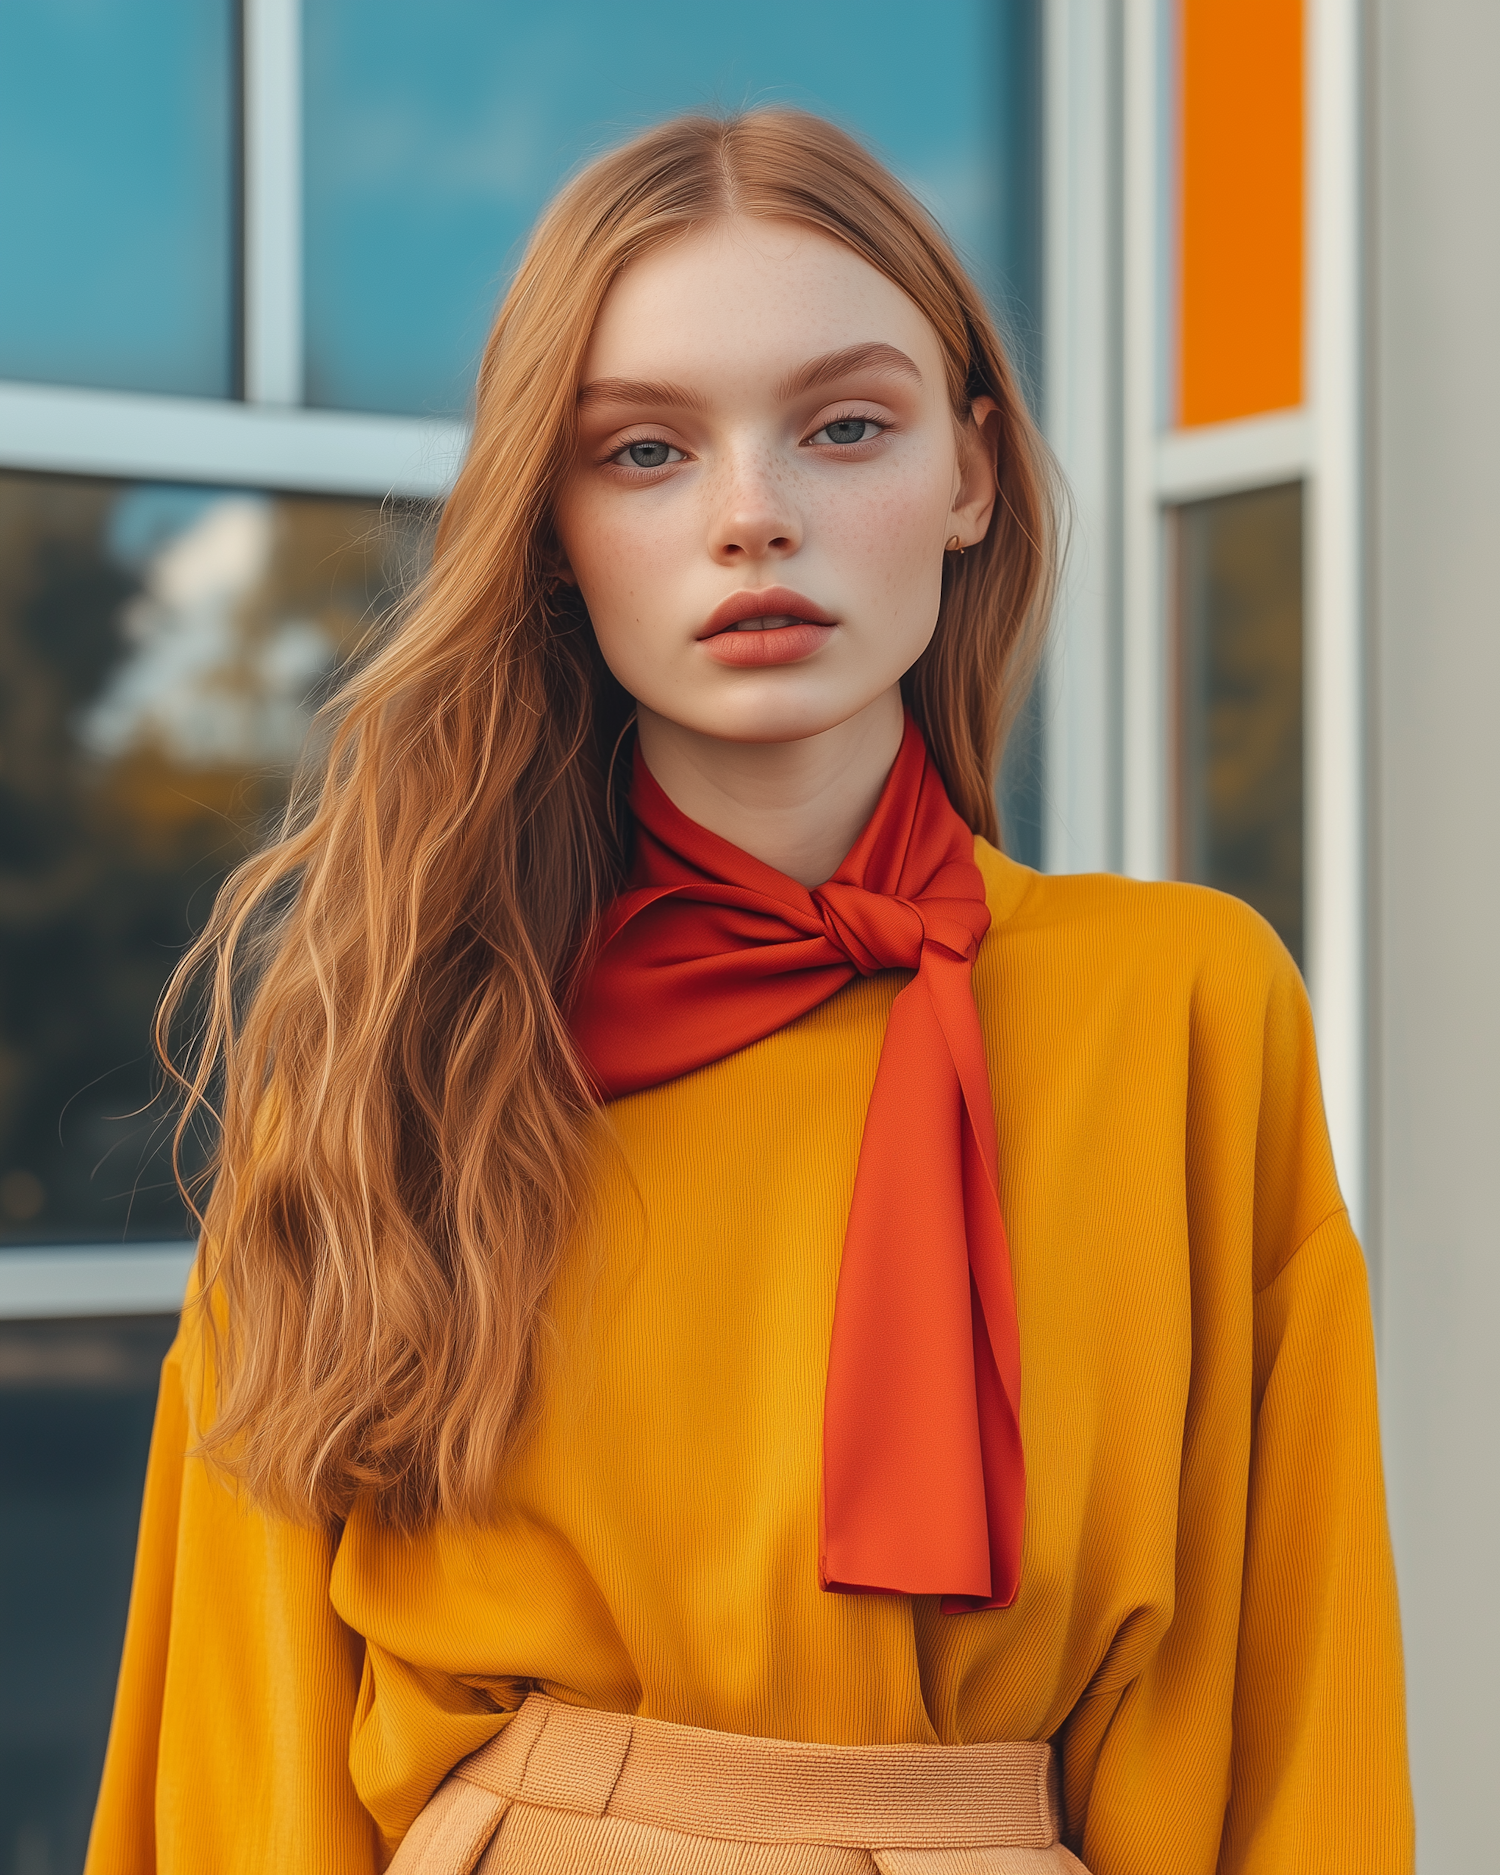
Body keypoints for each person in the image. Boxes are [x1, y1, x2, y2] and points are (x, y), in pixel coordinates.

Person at [84, 112, 1413, 1875]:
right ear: (550, 527)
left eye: (845, 425)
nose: (753, 516)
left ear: (973, 475)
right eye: (642, 450)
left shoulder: (1184, 1003)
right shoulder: (390, 1032)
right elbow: (240, 1726)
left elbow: (1293, 1694)